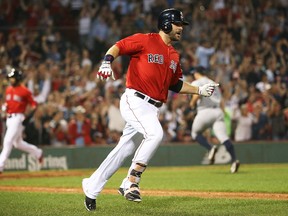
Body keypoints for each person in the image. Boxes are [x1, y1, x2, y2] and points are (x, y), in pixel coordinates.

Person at [82, 8, 219, 211]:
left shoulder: (173, 54)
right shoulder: (145, 40)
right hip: (135, 99)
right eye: (178, 24)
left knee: (125, 149)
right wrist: (106, 62)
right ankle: (131, 181)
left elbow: (176, 85)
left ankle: (91, 187)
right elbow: (117, 46)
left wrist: (199, 90)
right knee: (155, 134)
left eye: (182, 25)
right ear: (166, 24)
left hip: (152, 108)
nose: (181, 28)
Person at [189, 66, 240, 173]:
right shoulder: (213, 82)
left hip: (204, 111)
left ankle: (210, 148)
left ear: (197, 73)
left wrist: (192, 104)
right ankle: (234, 160)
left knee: (195, 133)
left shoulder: (197, 82)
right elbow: (221, 101)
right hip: (218, 112)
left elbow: (197, 95)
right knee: (223, 138)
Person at [0, 68, 43, 173]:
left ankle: (0, 165)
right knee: (17, 143)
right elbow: (8, 103)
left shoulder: (25, 91)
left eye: (13, 78)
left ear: (18, 79)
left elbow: (34, 105)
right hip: (9, 118)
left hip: (18, 119)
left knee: (7, 141)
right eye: (10, 78)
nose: (11, 80)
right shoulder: (9, 89)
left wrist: (28, 118)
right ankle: (38, 153)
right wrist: (5, 107)